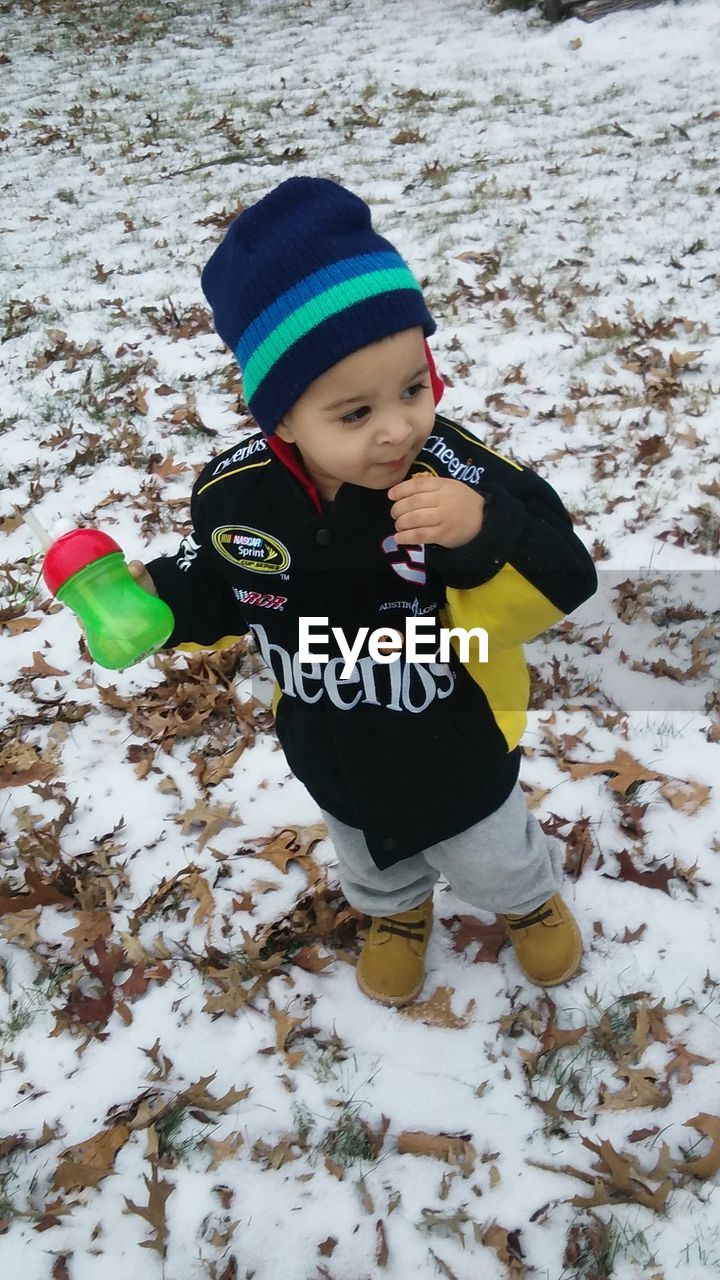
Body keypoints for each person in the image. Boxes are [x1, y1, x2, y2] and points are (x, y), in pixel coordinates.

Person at [132, 176, 598, 1007]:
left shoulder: (456, 472)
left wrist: (481, 530)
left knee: (491, 848)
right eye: (354, 413)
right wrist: (157, 601)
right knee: (366, 850)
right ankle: (398, 913)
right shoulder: (236, 497)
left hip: (455, 737)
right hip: (332, 736)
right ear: (281, 420)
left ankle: (528, 901)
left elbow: (567, 574)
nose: (398, 428)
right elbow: (222, 580)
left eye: (413, 389)